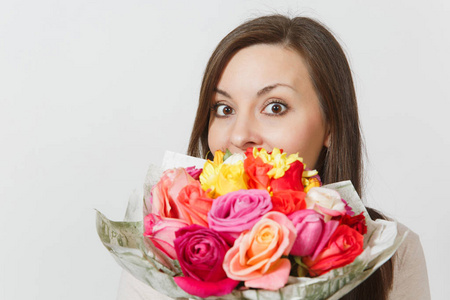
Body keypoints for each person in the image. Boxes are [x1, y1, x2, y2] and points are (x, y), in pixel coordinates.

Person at [118, 15, 430, 300]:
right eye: (224, 109)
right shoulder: (162, 247)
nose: (239, 136)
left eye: (275, 107)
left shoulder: (391, 251)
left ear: (331, 126)